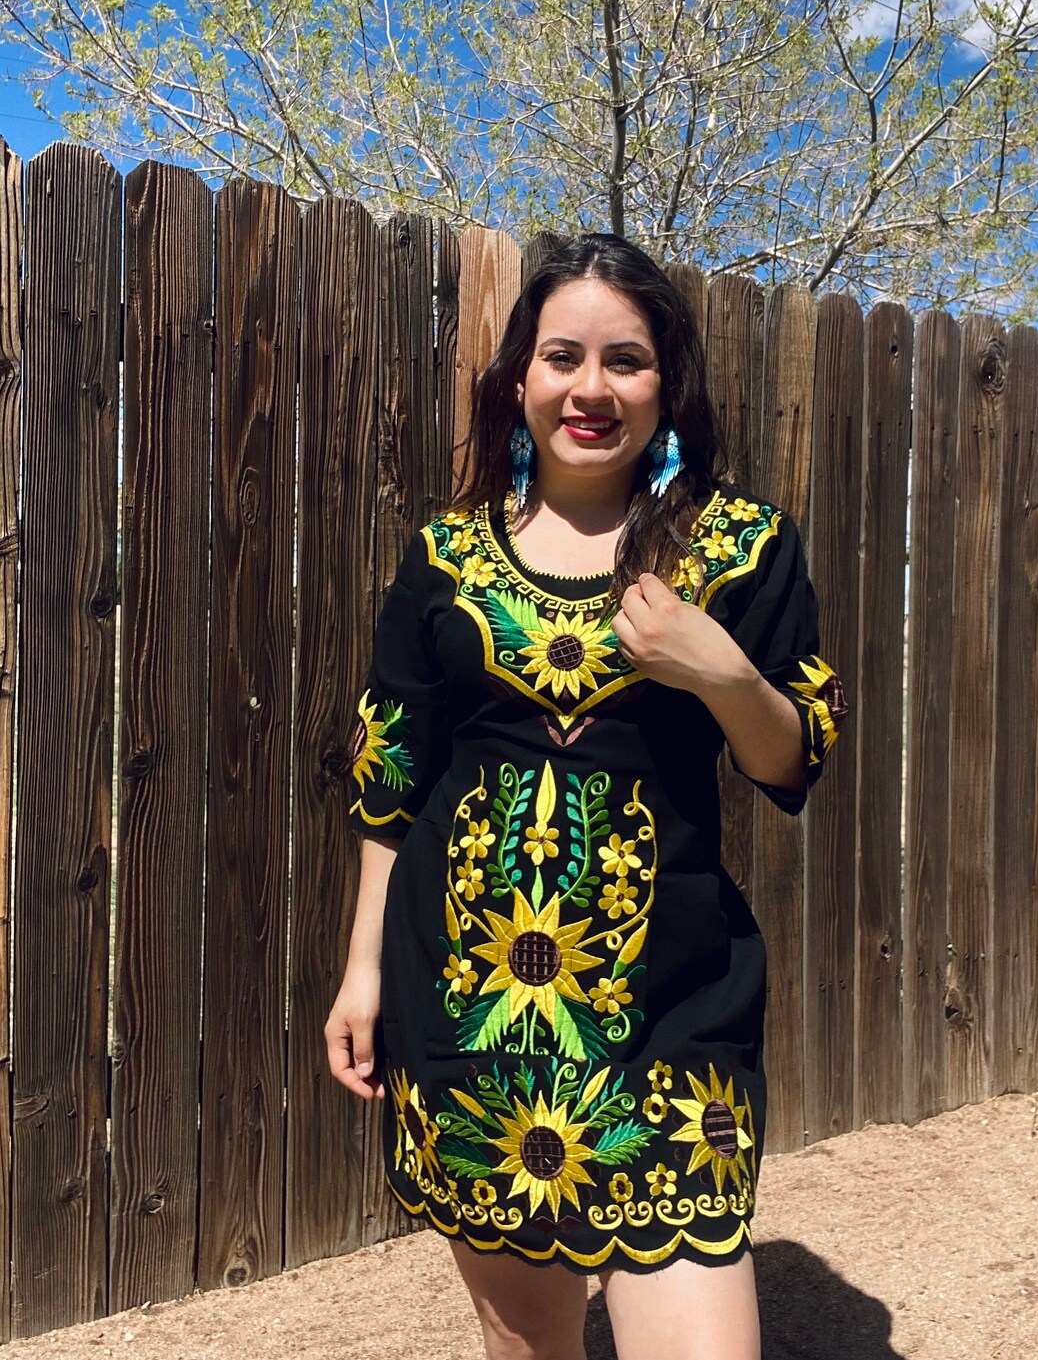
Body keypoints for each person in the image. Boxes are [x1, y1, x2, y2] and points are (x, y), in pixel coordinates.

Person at [325, 233, 847, 1360]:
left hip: (674, 1005)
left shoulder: (742, 549)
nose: (592, 389)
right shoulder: (447, 553)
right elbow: (392, 776)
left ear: (670, 385)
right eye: (564, 356)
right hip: (468, 1002)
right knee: (534, 1350)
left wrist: (718, 668)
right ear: (522, 378)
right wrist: (362, 969)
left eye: (628, 360)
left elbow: (791, 760)